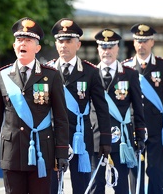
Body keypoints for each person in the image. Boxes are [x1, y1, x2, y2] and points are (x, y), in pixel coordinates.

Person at [0, 17, 69, 194]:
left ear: (37, 48)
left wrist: (61, 152)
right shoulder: (3, 75)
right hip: (12, 152)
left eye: (28, 40)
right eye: (19, 40)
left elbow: (61, 118)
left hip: (41, 153)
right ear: (14, 46)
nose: (22, 43)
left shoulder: (51, 76)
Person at [46, 18, 111, 194]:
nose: (64, 45)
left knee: (82, 186)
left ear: (78, 44)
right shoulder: (47, 71)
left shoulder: (90, 72)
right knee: (52, 187)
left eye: (69, 41)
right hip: (53, 136)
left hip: (81, 137)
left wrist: (105, 140)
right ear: (56, 44)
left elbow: (101, 108)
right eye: (61, 41)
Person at [122, 24, 163, 194]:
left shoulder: (162, 66)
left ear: (152, 42)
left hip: (156, 128)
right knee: (134, 173)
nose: (142, 45)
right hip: (133, 127)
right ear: (133, 43)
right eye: (138, 41)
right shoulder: (126, 67)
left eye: (145, 41)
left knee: (156, 172)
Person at [90, 29, 146, 194]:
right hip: (96, 136)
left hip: (121, 138)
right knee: (95, 184)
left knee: (121, 185)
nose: (107, 51)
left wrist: (140, 134)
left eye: (110, 47)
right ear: (98, 49)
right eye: (103, 47)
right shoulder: (88, 73)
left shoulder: (129, 74)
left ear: (117, 49)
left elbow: (137, 107)